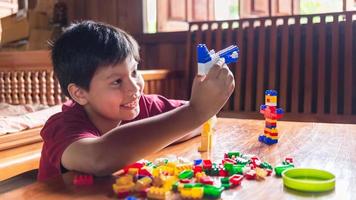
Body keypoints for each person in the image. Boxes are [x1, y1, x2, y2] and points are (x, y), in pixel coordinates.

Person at [37, 21, 235, 181]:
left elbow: (207, 118)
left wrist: (200, 112)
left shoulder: (145, 106)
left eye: (134, 72)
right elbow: (98, 158)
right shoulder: (61, 127)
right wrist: (195, 112)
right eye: (116, 81)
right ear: (79, 93)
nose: (134, 88)